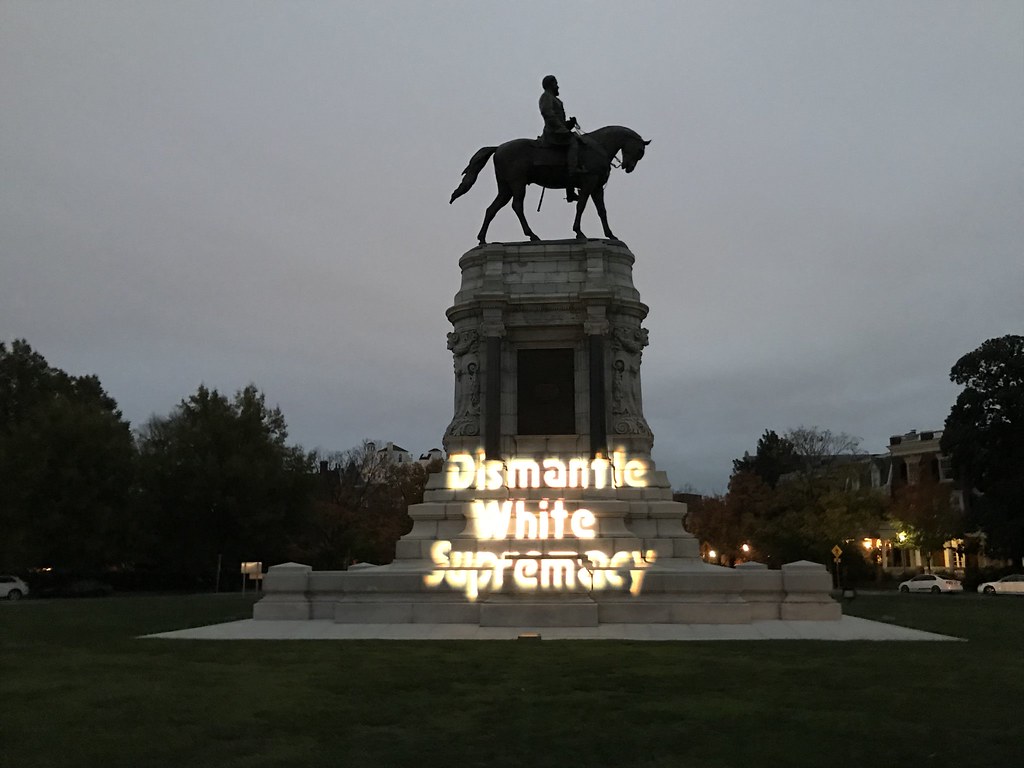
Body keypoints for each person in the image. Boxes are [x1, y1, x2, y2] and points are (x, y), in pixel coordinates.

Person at [539, 75, 583, 202]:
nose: (558, 86)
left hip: (558, 130)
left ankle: (570, 190)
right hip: (553, 132)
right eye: (556, 83)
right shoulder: (546, 97)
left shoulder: (554, 99)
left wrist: (569, 124)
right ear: (550, 85)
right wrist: (562, 129)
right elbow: (548, 115)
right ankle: (573, 171)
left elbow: (559, 120)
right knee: (573, 142)